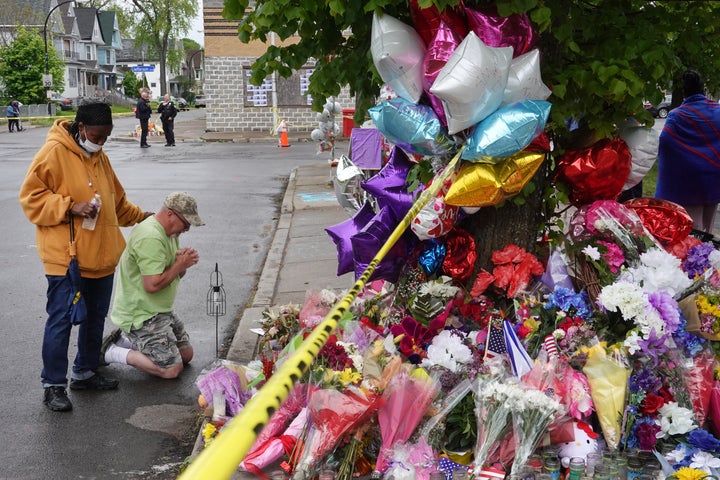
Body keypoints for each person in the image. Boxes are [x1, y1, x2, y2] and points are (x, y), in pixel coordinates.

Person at [18, 102, 152, 412]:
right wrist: (68, 205)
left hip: (101, 257)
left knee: (94, 320)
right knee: (62, 321)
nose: (101, 142)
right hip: (67, 259)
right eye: (97, 135)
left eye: (106, 136)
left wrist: (145, 217)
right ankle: (53, 385)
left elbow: (117, 203)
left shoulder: (99, 158)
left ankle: (85, 371)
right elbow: (31, 198)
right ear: (80, 129)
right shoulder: (53, 152)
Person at [101, 192, 204, 379]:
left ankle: (131, 341)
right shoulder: (151, 237)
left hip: (159, 309)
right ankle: (110, 351)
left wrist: (182, 263)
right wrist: (180, 265)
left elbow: (175, 274)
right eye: (186, 223)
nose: (187, 229)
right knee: (171, 370)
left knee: (186, 355)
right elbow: (152, 285)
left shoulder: (170, 233)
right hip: (142, 314)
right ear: (170, 214)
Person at [656, 69, 720, 233]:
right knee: (709, 229)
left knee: (693, 231)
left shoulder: (677, 116)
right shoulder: (718, 111)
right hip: (714, 181)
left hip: (687, 184)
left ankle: (699, 257)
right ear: (703, 89)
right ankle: (710, 256)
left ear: (683, 92)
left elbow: (666, 143)